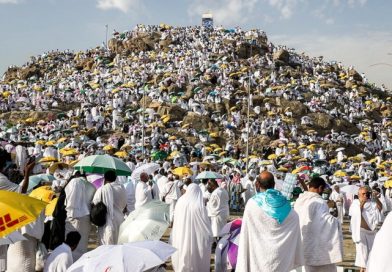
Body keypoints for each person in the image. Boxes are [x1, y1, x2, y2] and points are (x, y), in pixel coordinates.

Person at [237, 171, 304, 272]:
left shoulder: (252, 204)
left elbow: (246, 232)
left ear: (257, 184)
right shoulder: (288, 207)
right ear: (274, 184)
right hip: (281, 262)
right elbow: (295, 219)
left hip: (258, 261)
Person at [294, 177, 343, 272]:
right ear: (320, 188)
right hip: (319, 249)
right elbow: (326, 223)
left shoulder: (299, 201)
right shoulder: (320, 202)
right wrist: (335, 218)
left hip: (304, 245)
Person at [170, 184, 212, 272]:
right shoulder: (199, 206)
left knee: (182, 252)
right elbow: (205, 225)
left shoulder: (180, 201)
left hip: (181, 234)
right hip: (197, 238)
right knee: (196, 258)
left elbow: (176, 218)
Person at [349, 186, 382, 272]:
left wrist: (375, 198)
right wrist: (362, 203)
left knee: (372, 256)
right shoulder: (355, 203)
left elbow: (380, 208)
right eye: (363, 194)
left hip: (372, 233)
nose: (365, 195)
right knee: (363, 259)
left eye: (366, 193)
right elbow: (355, 213)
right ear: (359, 194)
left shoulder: (372, 203)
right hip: (361, 233)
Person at [64, 172, 96, 260]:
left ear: (76, 175)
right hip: (86, 218)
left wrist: (70, 215)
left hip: (74, 217)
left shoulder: (74, 181)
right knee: (82, 246)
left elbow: (70, 200)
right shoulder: (92, 186)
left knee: (71, 248)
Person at [92, 170, 127, 245]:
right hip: (120, 219)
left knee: (107, 246)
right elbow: (124, 203)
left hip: (106, 221)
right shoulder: (122, 188)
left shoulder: (102, 189)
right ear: (115, 178)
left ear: (105, 179)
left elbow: (95, 202)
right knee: (119, 243)